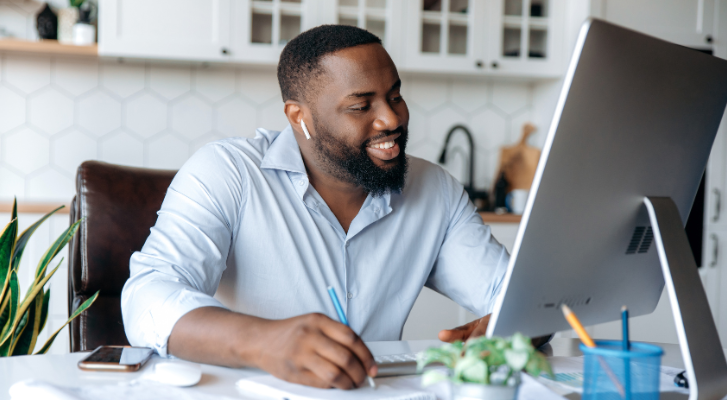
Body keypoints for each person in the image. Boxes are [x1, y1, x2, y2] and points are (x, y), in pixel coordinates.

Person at [122, 25, 510, 390]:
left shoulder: (435, 189)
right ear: (299, 117)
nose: (391, 119)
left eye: (395, 96)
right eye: (361, 106)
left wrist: (517, 324)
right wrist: (262, 340)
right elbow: (147, 298)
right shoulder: (229, 173)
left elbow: (510, 292)